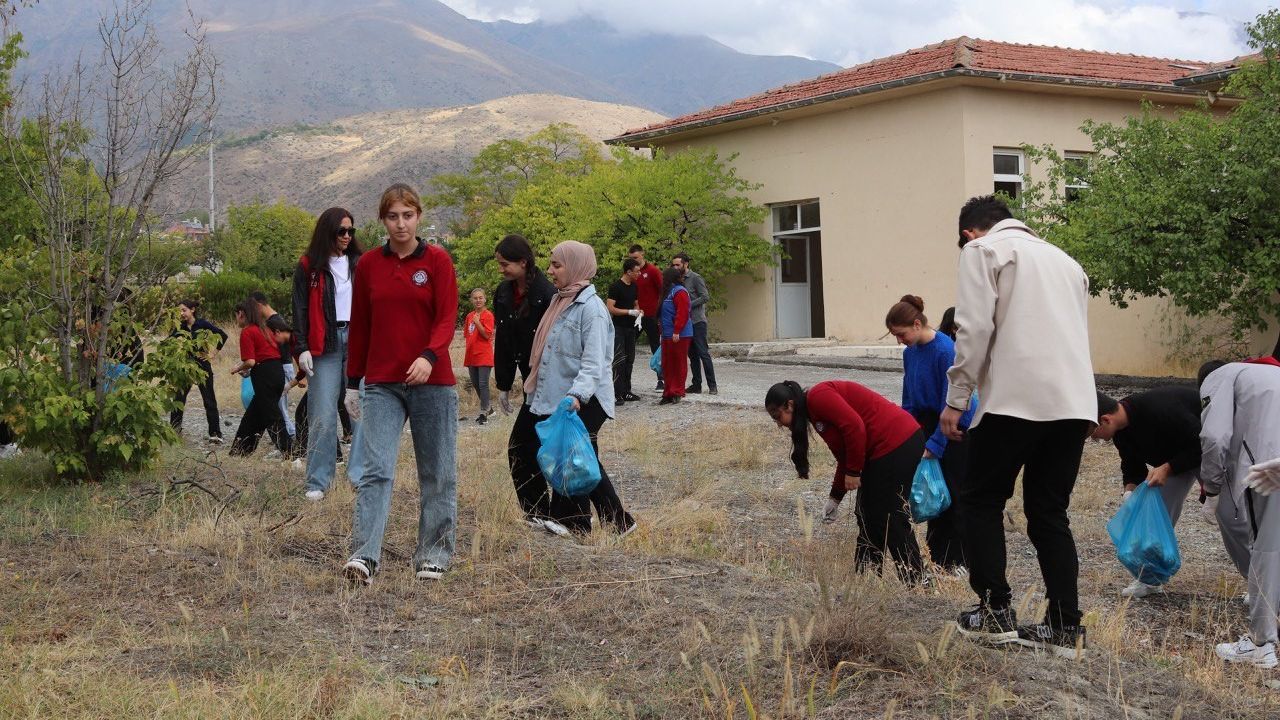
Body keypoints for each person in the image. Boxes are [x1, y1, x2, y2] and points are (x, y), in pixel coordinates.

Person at [941, 195, 1096, 659]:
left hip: (1014, 398)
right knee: (1050, 513)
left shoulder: (983, 251)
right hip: (1073, 403)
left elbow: (971, 329)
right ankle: (1065, 627)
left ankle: (993, 612)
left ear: (970, 232)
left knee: (981, 500)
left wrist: (957, 398)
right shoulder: (1068, 262)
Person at [343, 183, 459, 586]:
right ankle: (364, 557)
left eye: (407, 215)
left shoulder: (439, 262)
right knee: (376, 470)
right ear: (383, 220)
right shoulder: (370, 265)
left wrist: (429, 356)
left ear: (418, 216)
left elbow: (447, 318)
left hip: (433, 380)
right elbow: (360, 326)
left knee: (438, 471)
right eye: (393, 216)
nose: (401, 223)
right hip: (382, 382)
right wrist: (351, 383)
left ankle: (434, 554)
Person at [516, 240, 634, 536]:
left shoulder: (591, 309)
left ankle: (572, 521)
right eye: (551, 264)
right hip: (565, 396)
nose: (551, 271)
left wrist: (577, 395)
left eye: (557, 265)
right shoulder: (562, 301)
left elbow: (594, 363)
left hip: (588, 397)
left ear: (577, 267)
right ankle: (613, 522)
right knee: (582, 455)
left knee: (573, 454)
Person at [765, 380, 925, 580]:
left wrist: (854, 471)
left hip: (896, 442)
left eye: (777, 416)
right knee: (866, 513)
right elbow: (844, 455)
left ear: (789, 404)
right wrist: (835, 497)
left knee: (889, 517)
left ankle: (917, 581)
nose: (779, 424)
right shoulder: (814, 415)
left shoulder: (818, 396)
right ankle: (867, 578)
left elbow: (855, 426)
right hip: (881, 451)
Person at [885, 294, 974, 571]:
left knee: (955, 494)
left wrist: (935, 444)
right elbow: (909, 398)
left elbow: (953, 403)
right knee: (933, 493)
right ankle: (939, 558)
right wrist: (905, 432)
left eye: (901, 334)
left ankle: (960, 560)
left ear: (915, 324)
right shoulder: (910, 353)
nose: (900, 341)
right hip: (925, 427)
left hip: (953, 429)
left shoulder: (945, 350)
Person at [1201, 360, 1280, 668]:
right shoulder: (1268, 373)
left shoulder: (1218, 378)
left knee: (1266, 550)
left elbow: (1214, 437)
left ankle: (1261, 645)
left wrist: (1212, 488)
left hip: (1266, 470)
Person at [1091, 386, 1203, 597]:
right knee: (1153, 516)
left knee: (1231, 517)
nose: (1092, 439)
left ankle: (1263, 583)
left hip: (1208, 452)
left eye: (1092, 432)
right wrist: (1130, 491)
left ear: (1105, 420)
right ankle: (1150, 579)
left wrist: (1168, 467)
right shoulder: (1121, 432)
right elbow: (1132, 464)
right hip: (1175, 461)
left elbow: (1203, 443)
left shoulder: (1159, 410)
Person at [292, 207, 364, 501]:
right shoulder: (309, 266)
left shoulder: (361, 263)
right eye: (341, 231)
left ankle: (359, 475)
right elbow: (299, 308)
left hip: (359, 340)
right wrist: (301, 347)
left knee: (360, 409)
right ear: (327, 232)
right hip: (325, 342)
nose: (347, 237)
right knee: (321, 412)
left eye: (351, 231)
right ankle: (319, 481)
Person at [493, 233, 557, 527]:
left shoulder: (547, 293)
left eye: (506, 264)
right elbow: (503, 342)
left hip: (551, 380)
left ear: (523, 262)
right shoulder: (503, 293)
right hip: (527, 378)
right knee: (524, 448)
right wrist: (504, 384)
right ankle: (536, 511)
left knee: (539, 446)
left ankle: (559, 514)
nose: (502, 269)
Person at [228, 297, 287, 457]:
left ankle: (290, 452)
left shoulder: (247, 331)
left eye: (236, 314)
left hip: (264, 375)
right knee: (253, 416)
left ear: (241, 314)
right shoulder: (265, 329)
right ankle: (239, 451)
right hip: (277, 373)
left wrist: (237, 368)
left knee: (272, 416)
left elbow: (250, 361)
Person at [169, 299, 227, 443]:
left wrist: (212, 354)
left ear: (192, 310)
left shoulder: (203, 324)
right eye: (179, 311)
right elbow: (168, 342)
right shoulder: (180, 327)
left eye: (184, 310)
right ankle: (174, 432)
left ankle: (215, 434)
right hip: (186, 367)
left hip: (202, 366)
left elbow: (222, 335)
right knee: (178, 399)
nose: (181, 313)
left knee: (209, 400)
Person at [253, 291, 296, 453]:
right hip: (285, 365)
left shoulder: (273, 323)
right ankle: (287, 436)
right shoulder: (278, 318)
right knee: (278, 405)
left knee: (279, 407)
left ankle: (289, 438)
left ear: (259, 305)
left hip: (282, 365)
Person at [672, 253, 717, 395]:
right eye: (673, 265)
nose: (675, 267)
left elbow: (705, 297)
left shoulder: (695, 278)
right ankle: (696, 385)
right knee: (692, 355)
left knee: (703, 353)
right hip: (685, 323)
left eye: (678, 264)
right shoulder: (676, 281)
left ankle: (712, 386)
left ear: (686, 264)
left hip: (697, 321)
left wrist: (687, 305)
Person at [606, 258, 644, 405]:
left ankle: (626, 391)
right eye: (637, 271)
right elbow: (610, 307)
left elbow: (636, 303)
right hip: (618, 328)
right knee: (619, 360)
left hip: (631, 328)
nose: (639, 273)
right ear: (628, 272)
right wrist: (628, 312)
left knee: (630, 360)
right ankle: (616, 393)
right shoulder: (615, 286)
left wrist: (638, 311)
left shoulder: (634, 287)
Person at [627, 244, 664, 391]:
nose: (634, 261)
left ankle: (661, 379)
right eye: (631, 259)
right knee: (628, 345)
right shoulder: (631, 272)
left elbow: (662, 290)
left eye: (636, 257)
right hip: (636, 315)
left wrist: (660, 312)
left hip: (651, 315)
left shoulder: (653, 271)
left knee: (656, 346)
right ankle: (624, 381)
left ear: (642, 254)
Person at [658, 266, 692, 405]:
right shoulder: (668, 292)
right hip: (667, 334)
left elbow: (682, 313)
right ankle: (668, 392)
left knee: (678, 363)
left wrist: (677, 330)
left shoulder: (680, 292)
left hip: (679, 335)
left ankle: (677, 391)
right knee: (667, 364)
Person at [463, 288, 496, 424]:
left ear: (485, 299)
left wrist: (478, 323)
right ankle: (489, 409)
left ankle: (483, 414)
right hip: (471, 355)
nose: (478, 300)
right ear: (471, 300)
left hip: (483, 355)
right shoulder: (469, 316)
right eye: (475, 298)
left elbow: (487, 335)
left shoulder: (488, 315)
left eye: (480, 297)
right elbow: (467, 334)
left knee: (483, 384)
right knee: (476, 384)